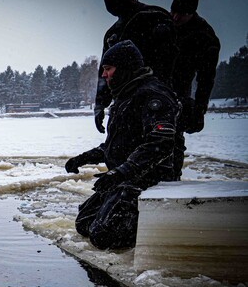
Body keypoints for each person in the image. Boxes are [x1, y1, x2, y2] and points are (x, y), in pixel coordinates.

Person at [66, 41, 179, 250]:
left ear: (125, 68)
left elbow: (160, 143)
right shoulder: (125, 97)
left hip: (146, 181)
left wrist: (122, 172)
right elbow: (118, 145)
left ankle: (152, 231)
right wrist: (82, 158)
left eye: (108, 69)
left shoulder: (152, 95)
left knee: (105, 237)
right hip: (124, 180)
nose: (104, 75)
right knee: (84, 223)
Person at [93, 0, 178, 134]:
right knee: (119, 150)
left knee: (159, 146)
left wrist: (175, 98)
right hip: (124, 104)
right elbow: (105, 71)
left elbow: (174, 63)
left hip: (155, 101)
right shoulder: (113, 33)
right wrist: (100, 104)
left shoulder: (154, 17)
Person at [170, 0, 221, 177]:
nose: (175, 18)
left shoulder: (205, 36)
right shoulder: (164, 24)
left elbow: (206, 79)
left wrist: (199, 110)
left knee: (172, 137)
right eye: (172, 12)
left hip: (179, 92)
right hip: (154, 85)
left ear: (192, 13)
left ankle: (172, 179)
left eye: (181, 15)